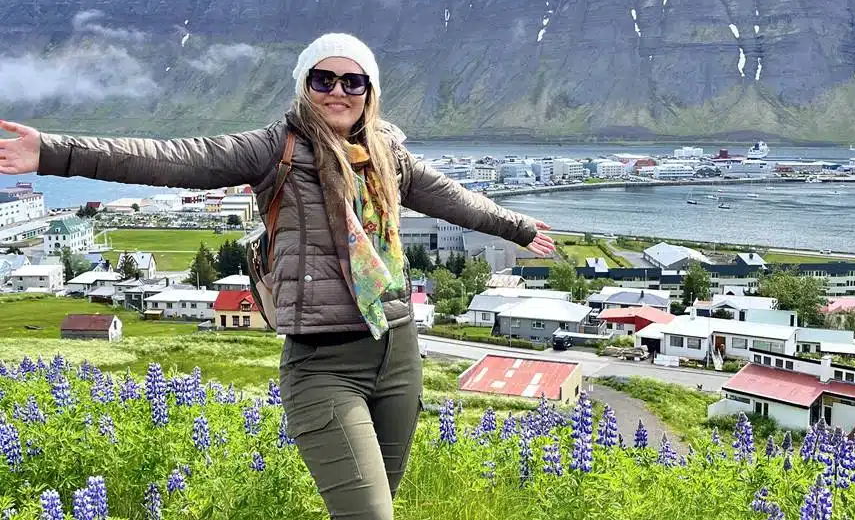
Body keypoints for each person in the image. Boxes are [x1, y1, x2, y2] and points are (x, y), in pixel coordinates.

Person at [0, 32, 556, 520]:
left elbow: (454, 201)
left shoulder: (389, 154)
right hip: (321, 364)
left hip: (398, 353)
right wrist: (54, 152)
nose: (338, 90)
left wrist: (521, 228)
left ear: (370, 91)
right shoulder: (275, 149)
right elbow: (169, 158)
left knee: (380, 502)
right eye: (323, 78)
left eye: (352, 81)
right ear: (303, 86)